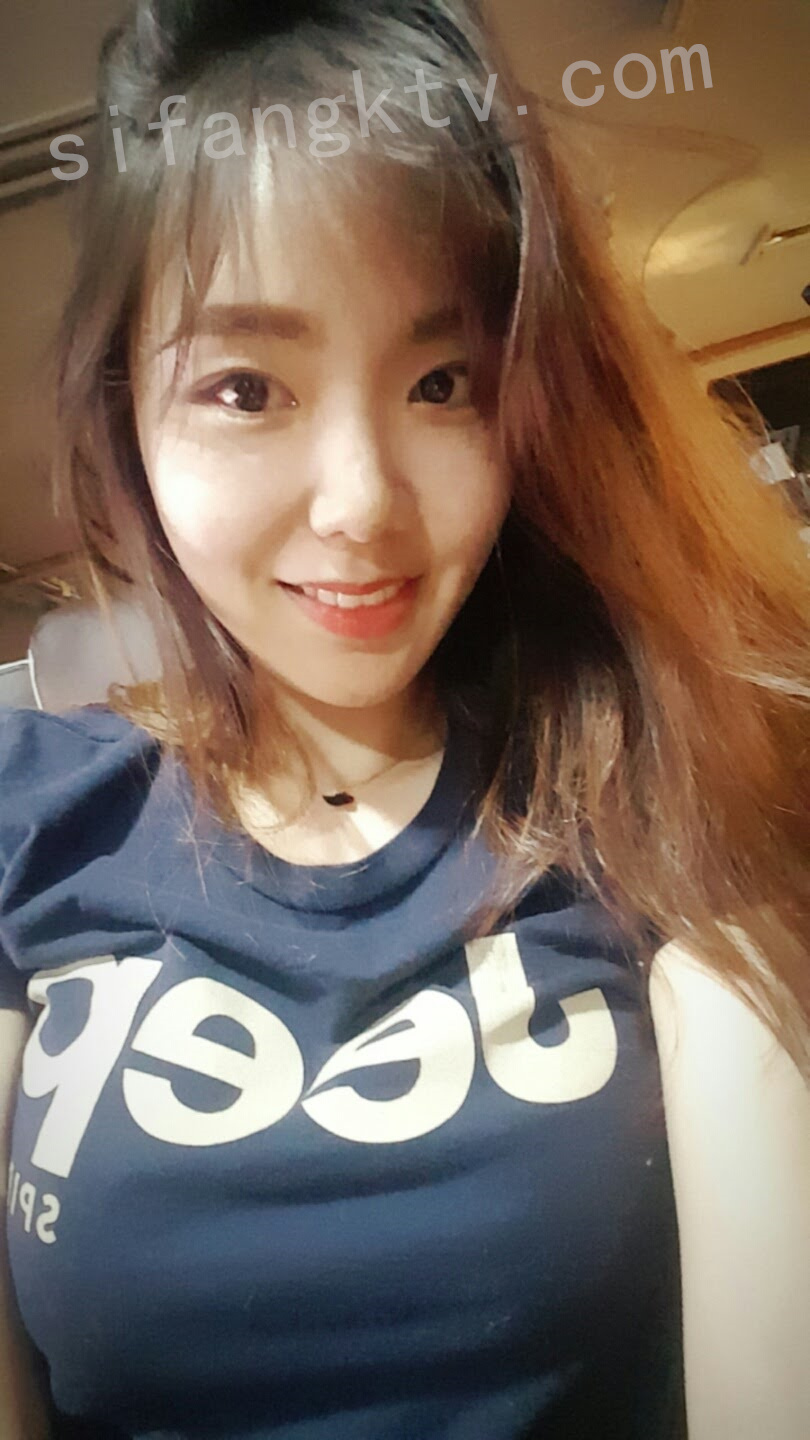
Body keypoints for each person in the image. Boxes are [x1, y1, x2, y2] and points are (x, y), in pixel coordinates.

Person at [1, 2, 809, 1437]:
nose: (363, 501)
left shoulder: (660, 801)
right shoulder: (31, 815)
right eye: (246, 388)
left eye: (442, 383)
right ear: (128, 414)